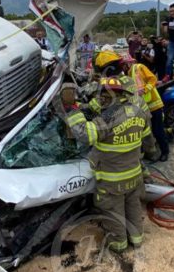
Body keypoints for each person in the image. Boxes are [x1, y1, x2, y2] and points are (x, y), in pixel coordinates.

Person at [60, 77, 157, 252]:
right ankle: (136, 240)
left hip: (112, 182)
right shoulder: (138, 111)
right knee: (133, 207)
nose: (100, 100)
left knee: (114, 213)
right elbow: (148, 140)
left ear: (109, 95)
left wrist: (71, 110)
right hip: (134, 176)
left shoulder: (107, 118)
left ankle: (118, 244)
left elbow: (84, 134)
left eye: (102, 96)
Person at [121, 54, 169, 162]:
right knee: (147, 132)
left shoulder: (139, 67)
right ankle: (150, 152)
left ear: (128, 63)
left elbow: (153, 79)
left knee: (158, 131)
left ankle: (165, 152)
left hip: (153, 104)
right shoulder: (128, 75)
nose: (122, 67)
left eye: (123, 65)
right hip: (143, 107)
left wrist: (145, 89)